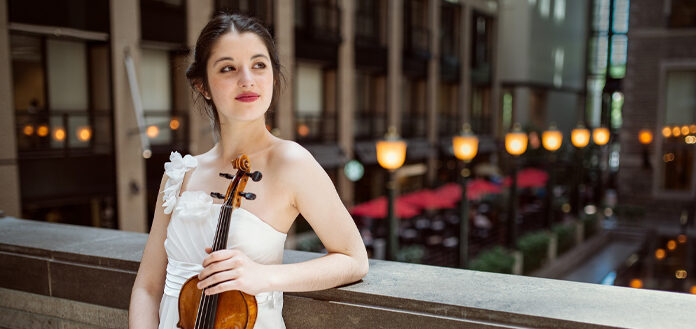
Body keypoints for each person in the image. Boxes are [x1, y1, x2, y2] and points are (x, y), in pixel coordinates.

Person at [128, 12, 369, 329]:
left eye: (259, 65)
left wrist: (264, 276)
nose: (247, 79)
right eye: (228, 68)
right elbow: (147, 287)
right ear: (203, 86)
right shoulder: (181, 172)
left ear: (272, 75)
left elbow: (354, 260)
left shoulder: (291, 162)